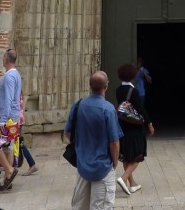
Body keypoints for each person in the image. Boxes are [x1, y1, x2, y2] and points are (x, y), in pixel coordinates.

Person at [64, 70, 122, 210]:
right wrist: (114, 162)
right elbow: (114, 142)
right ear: (106, 86)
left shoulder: (78, 105)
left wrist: (82, 146)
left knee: (80, 206)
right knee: (101, 206)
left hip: (83, 165)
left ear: (89, 86)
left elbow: (67, 133)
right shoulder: (107, 109)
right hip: (102, 167)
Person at [115, 63, 154, 195]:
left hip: (122, 125)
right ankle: (124, 177)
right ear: (132, 76)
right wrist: (149, 123)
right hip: (134, 126)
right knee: (138, 155)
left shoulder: (118, 90)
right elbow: (141, 109)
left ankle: (132, 184)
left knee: (126, 155)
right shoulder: (134, 91)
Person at [0, 48, 22, 192]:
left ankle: (9, 170)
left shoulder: (8, 77)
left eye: (3, 56)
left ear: (7, 59)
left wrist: (2, 121)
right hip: (14, 116)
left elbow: (8, 100)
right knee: (8, 147)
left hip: (7, 118)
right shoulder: (16, 74)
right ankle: (6, 182)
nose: (2, 59)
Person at [20, 90, 39, 176]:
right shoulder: (16, 90)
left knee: (19, 143)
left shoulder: (14, 91)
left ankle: (32, 164)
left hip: (15, 120)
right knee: (16, 143)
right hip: (17, 119)